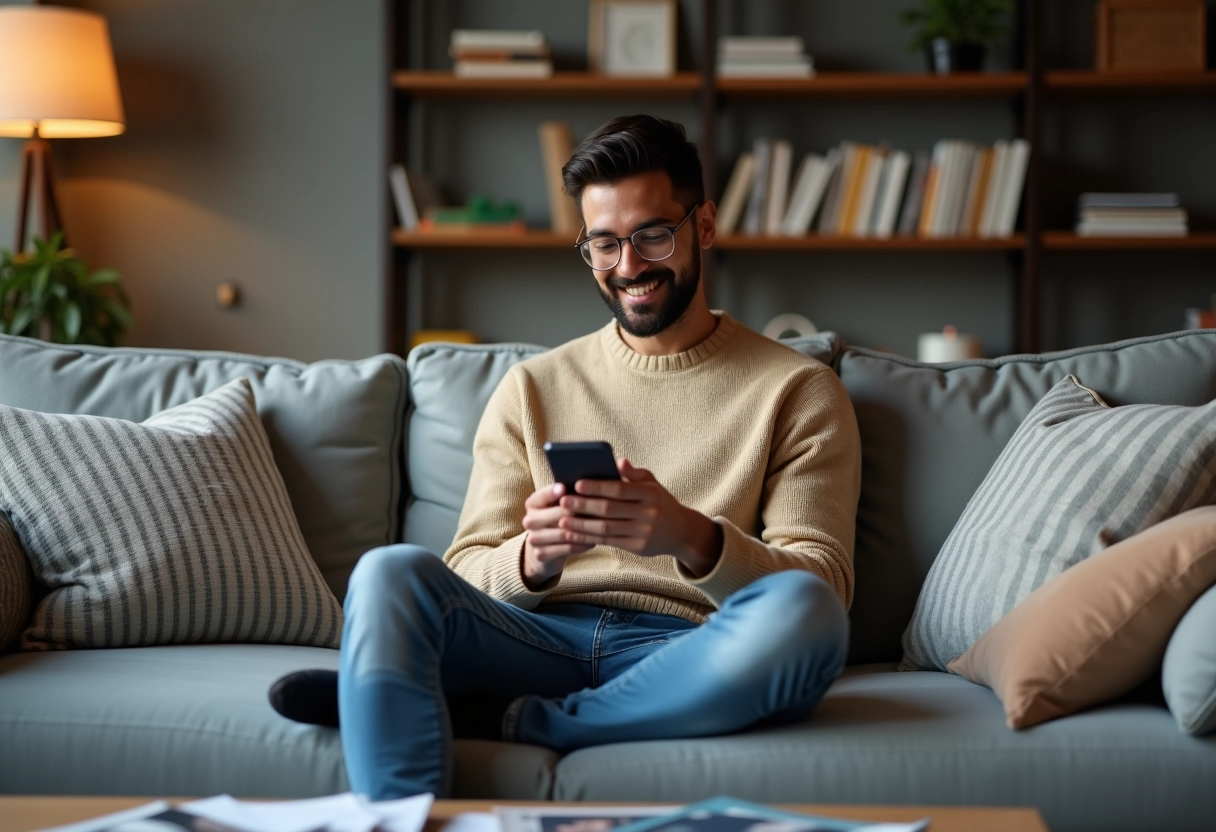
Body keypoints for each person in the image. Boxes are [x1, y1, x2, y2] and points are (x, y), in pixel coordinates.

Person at [269, 114, 862, 800]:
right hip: (533, 640)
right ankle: (400, 816)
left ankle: (511, 720)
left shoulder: (798, 389)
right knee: (387, 573)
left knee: (806, 612)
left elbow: (825, 586)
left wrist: (690, 537)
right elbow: (465, 567)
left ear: (703, 225)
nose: (628, 267)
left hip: (686, 653)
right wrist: (533, 559)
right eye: (603, 244)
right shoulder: (532, 387)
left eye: (652, 235)